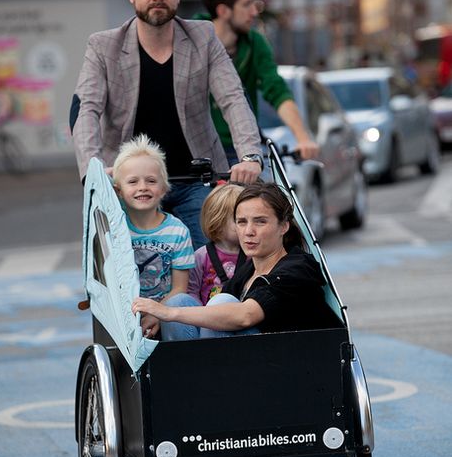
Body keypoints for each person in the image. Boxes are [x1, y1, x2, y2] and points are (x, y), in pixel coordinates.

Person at [70, 0, 264, 249]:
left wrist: (250, 155)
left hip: (195, 180)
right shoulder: (103, 46)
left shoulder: (203, 37)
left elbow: (233, 98)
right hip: (131, 186)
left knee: (209, 266)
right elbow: (86, 110)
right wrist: (93, 170)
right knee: (129, 276)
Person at [132, 182, 342, 340]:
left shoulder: (297, 267)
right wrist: (165, 313)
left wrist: (167, 313)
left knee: (220, 304)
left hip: (294, 363)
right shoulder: (249, 268)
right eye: (241, 222)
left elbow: (245, 316)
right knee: (179, 301)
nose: (248, 232)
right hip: (249, 358)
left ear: (284, 226)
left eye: (260, 222)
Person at [197, 0, 319, 165]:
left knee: (271, 191)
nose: (255, 12)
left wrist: (302, 137)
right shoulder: (190, 39)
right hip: (198, 154)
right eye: (247, 5)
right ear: (223, 11)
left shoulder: (255, 43)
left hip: (245, 150)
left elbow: (277, 90)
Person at [113, 134, 195, 338]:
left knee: (181, 302)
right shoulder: (114, 232)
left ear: (164, 189)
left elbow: (179, 288)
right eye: (133, 181)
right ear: (119, 191)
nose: (142, 187)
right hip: (127, 316)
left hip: (166, 312)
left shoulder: (177, 232)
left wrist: (157, 314)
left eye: (151, 181)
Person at [187, 182, 245, 305]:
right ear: (218, 222)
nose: (247, 227)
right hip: (207, 317)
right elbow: (192, 290)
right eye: (240, 221)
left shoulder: (252, 255)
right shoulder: (202, 256)